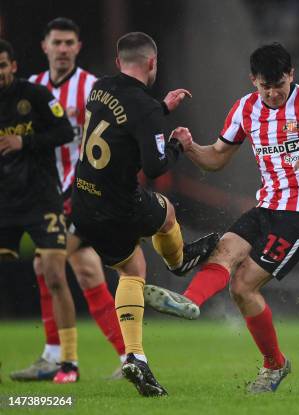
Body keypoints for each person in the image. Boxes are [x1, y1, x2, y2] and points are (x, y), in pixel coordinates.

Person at [144, 42, 299, 394]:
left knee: (243, 284)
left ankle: (274, 366)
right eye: (267, 87)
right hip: (266, 207)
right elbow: (216, 158)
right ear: (253, 81)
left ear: (291, 75)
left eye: (280, 85)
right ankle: (189, 301)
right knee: (224, 252)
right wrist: (189, 148)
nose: (275, 94)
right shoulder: (245, 110)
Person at [70, 32, 218, 396]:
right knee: (167, 212)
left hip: (84, 202)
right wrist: (176, 144)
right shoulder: (145, 107)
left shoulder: (99, 88)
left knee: (131, 270)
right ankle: (179, 262)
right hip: (119, 203)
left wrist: (162, 109)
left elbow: (123, 118)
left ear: (119, 62)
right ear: (152, 64)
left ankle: (135, 358)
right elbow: (155, 167)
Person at [10, 17, 126, 383]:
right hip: (44, 194)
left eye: (68, 43)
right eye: (56, 43)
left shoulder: (93, 89)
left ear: (78, 47)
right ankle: (127, 357)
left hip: (80, 192)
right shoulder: (30, 89)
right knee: (76, 268)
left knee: (52, 266)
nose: (62, 49)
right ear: (44, 46)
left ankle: (61, 358)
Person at [0, 39, 77, 381]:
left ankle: (69, 363)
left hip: (41, 199)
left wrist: (24, 141)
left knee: (55, 274)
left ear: (13, 66)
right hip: (4, 202)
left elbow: (65, 131)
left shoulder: (34, 96)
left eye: (2, 65)